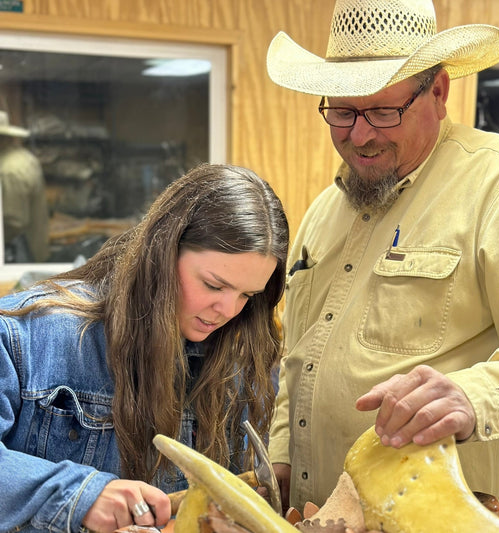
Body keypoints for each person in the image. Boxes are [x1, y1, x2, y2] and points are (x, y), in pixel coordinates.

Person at [265, 0, 499, 529]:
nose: (360, 136)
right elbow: (299, 357)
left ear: (438, 91)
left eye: (384, 112)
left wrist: (474, 394)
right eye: (342, 112)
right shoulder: (323, 212)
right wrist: (281, 456)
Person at [0, 162, 289, 532]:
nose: (228, 311)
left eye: (247, 295)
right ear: (162, 253)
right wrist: (79, 495)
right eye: (214, 285)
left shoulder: (242, 357)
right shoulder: (26, 335)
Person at [0, 110, 49, 262]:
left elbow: (13, 223)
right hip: (34, 249)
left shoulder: (8, 171)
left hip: (19, 257)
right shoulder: (24, 157)